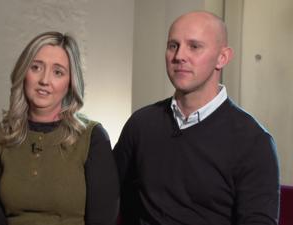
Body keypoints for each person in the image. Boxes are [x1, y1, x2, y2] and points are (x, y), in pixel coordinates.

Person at [114, 11, 280, 225]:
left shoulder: (254, 142)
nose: (179, 56)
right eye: (173, 45)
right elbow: (110, 197)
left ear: (223, 57)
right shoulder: (141, 123)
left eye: (194, 46)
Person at [0, 31, 119, 225]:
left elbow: (103, 220)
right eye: (36, 67)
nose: (44, 80)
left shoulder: (92, 137)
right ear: (23, 72)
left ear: (70, 83)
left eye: (57, 72)